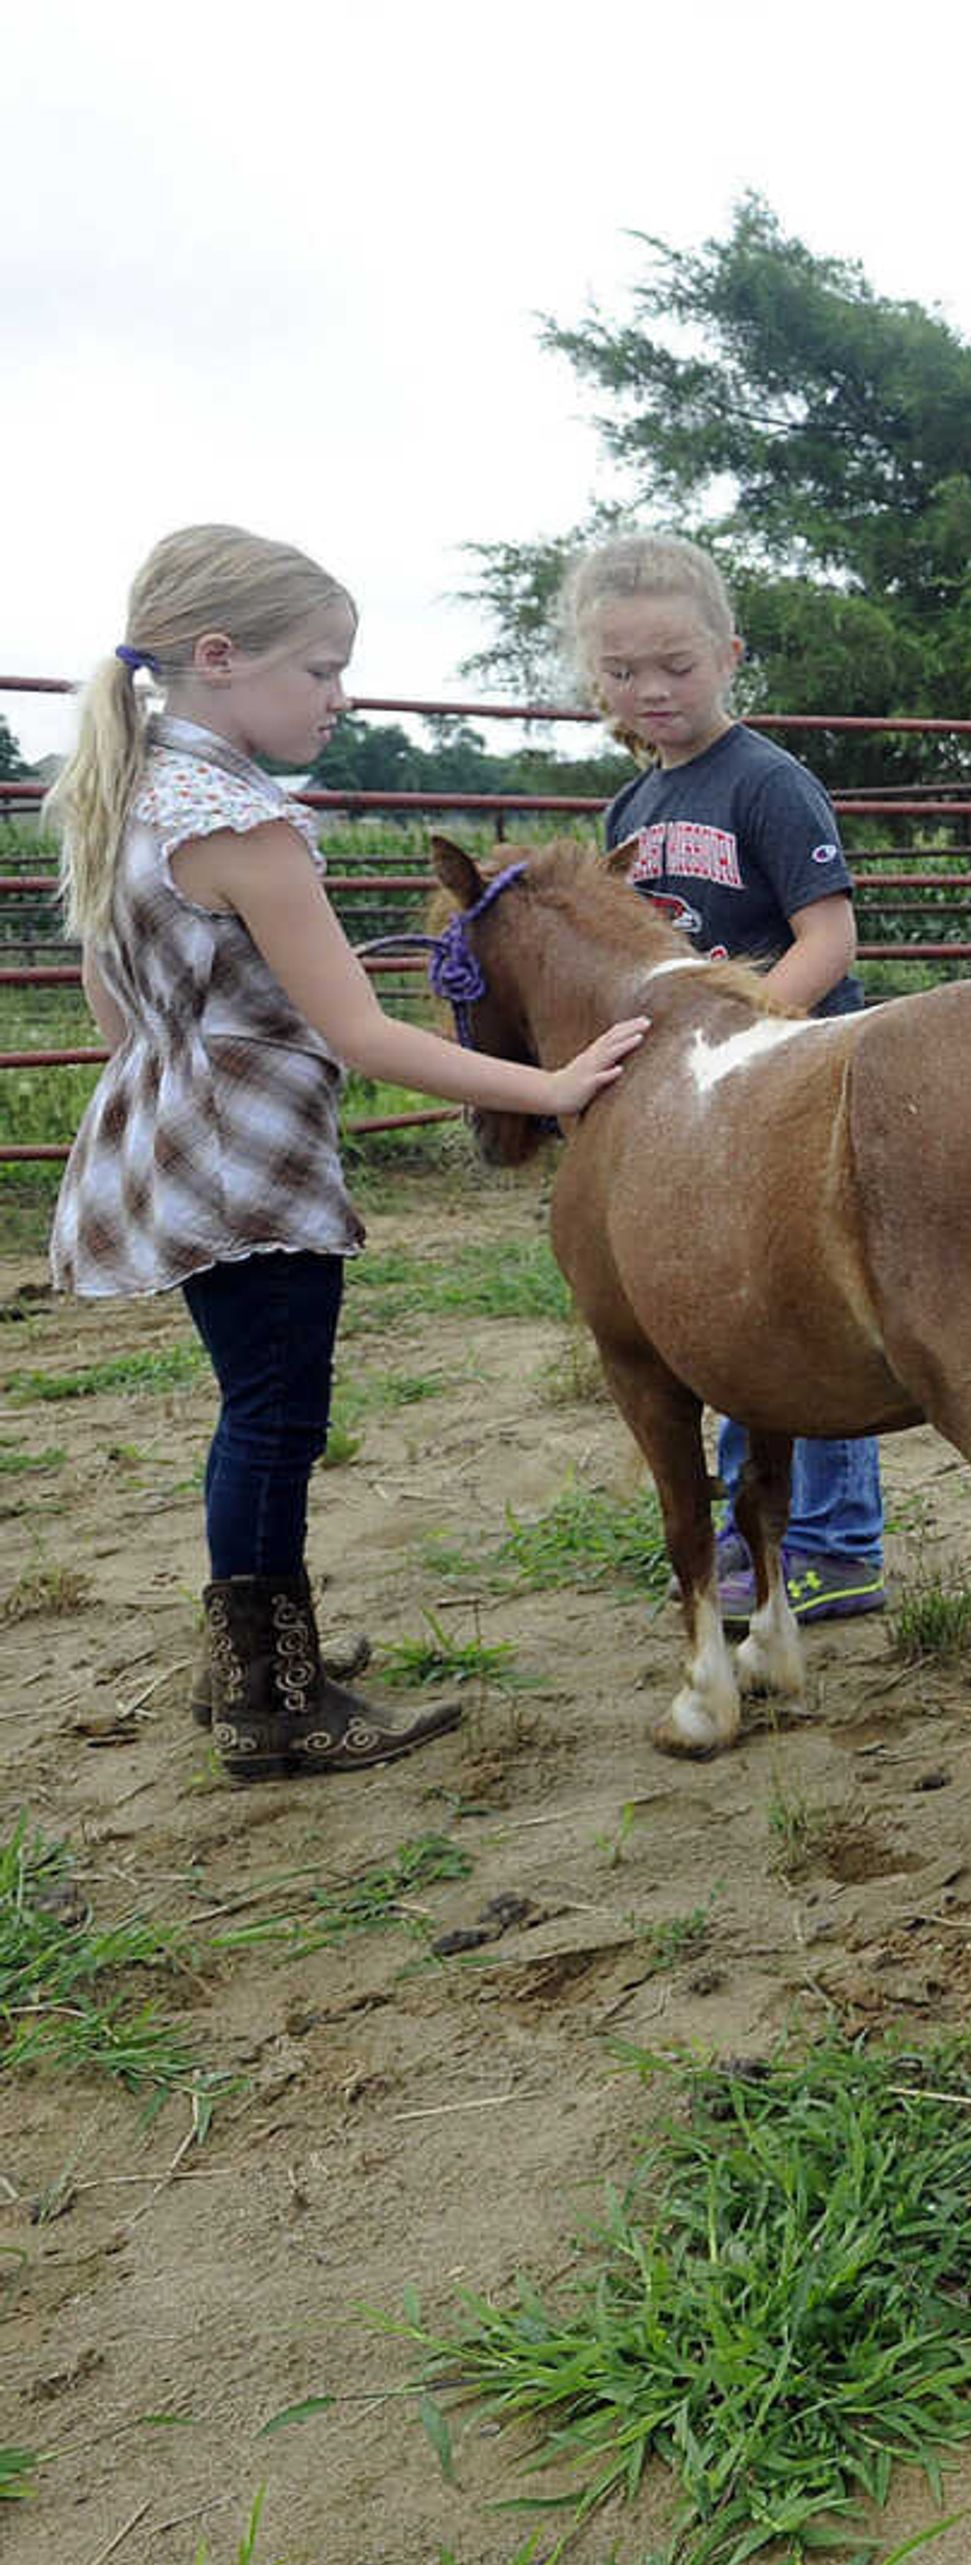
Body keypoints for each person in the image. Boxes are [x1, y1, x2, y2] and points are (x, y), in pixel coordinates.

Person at [47, 525, 648, 1776]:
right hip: (249, 1157)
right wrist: (551, 1081)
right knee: (276, 1416)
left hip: (164, 1129)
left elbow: (114, 1011)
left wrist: (198, 1040)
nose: (341, 693)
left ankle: (252, 1663)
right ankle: (274, 1699)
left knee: (249, 1408)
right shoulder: (246, 825)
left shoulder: (132, 787)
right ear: (220, 659)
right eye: (320, 669)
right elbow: (365, 1033)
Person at [563, 533, 883, 1625]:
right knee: (737, 1307)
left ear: (728, 654)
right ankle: (761, 1533)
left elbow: (827, 936)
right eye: (621, 670)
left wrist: (756, 1041)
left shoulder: (769, 782)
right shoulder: (628, 811)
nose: (651, 689)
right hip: (703, 1108)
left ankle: (836, 1539)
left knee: (813, 1307)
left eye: (676, 664)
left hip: (791, 1084)